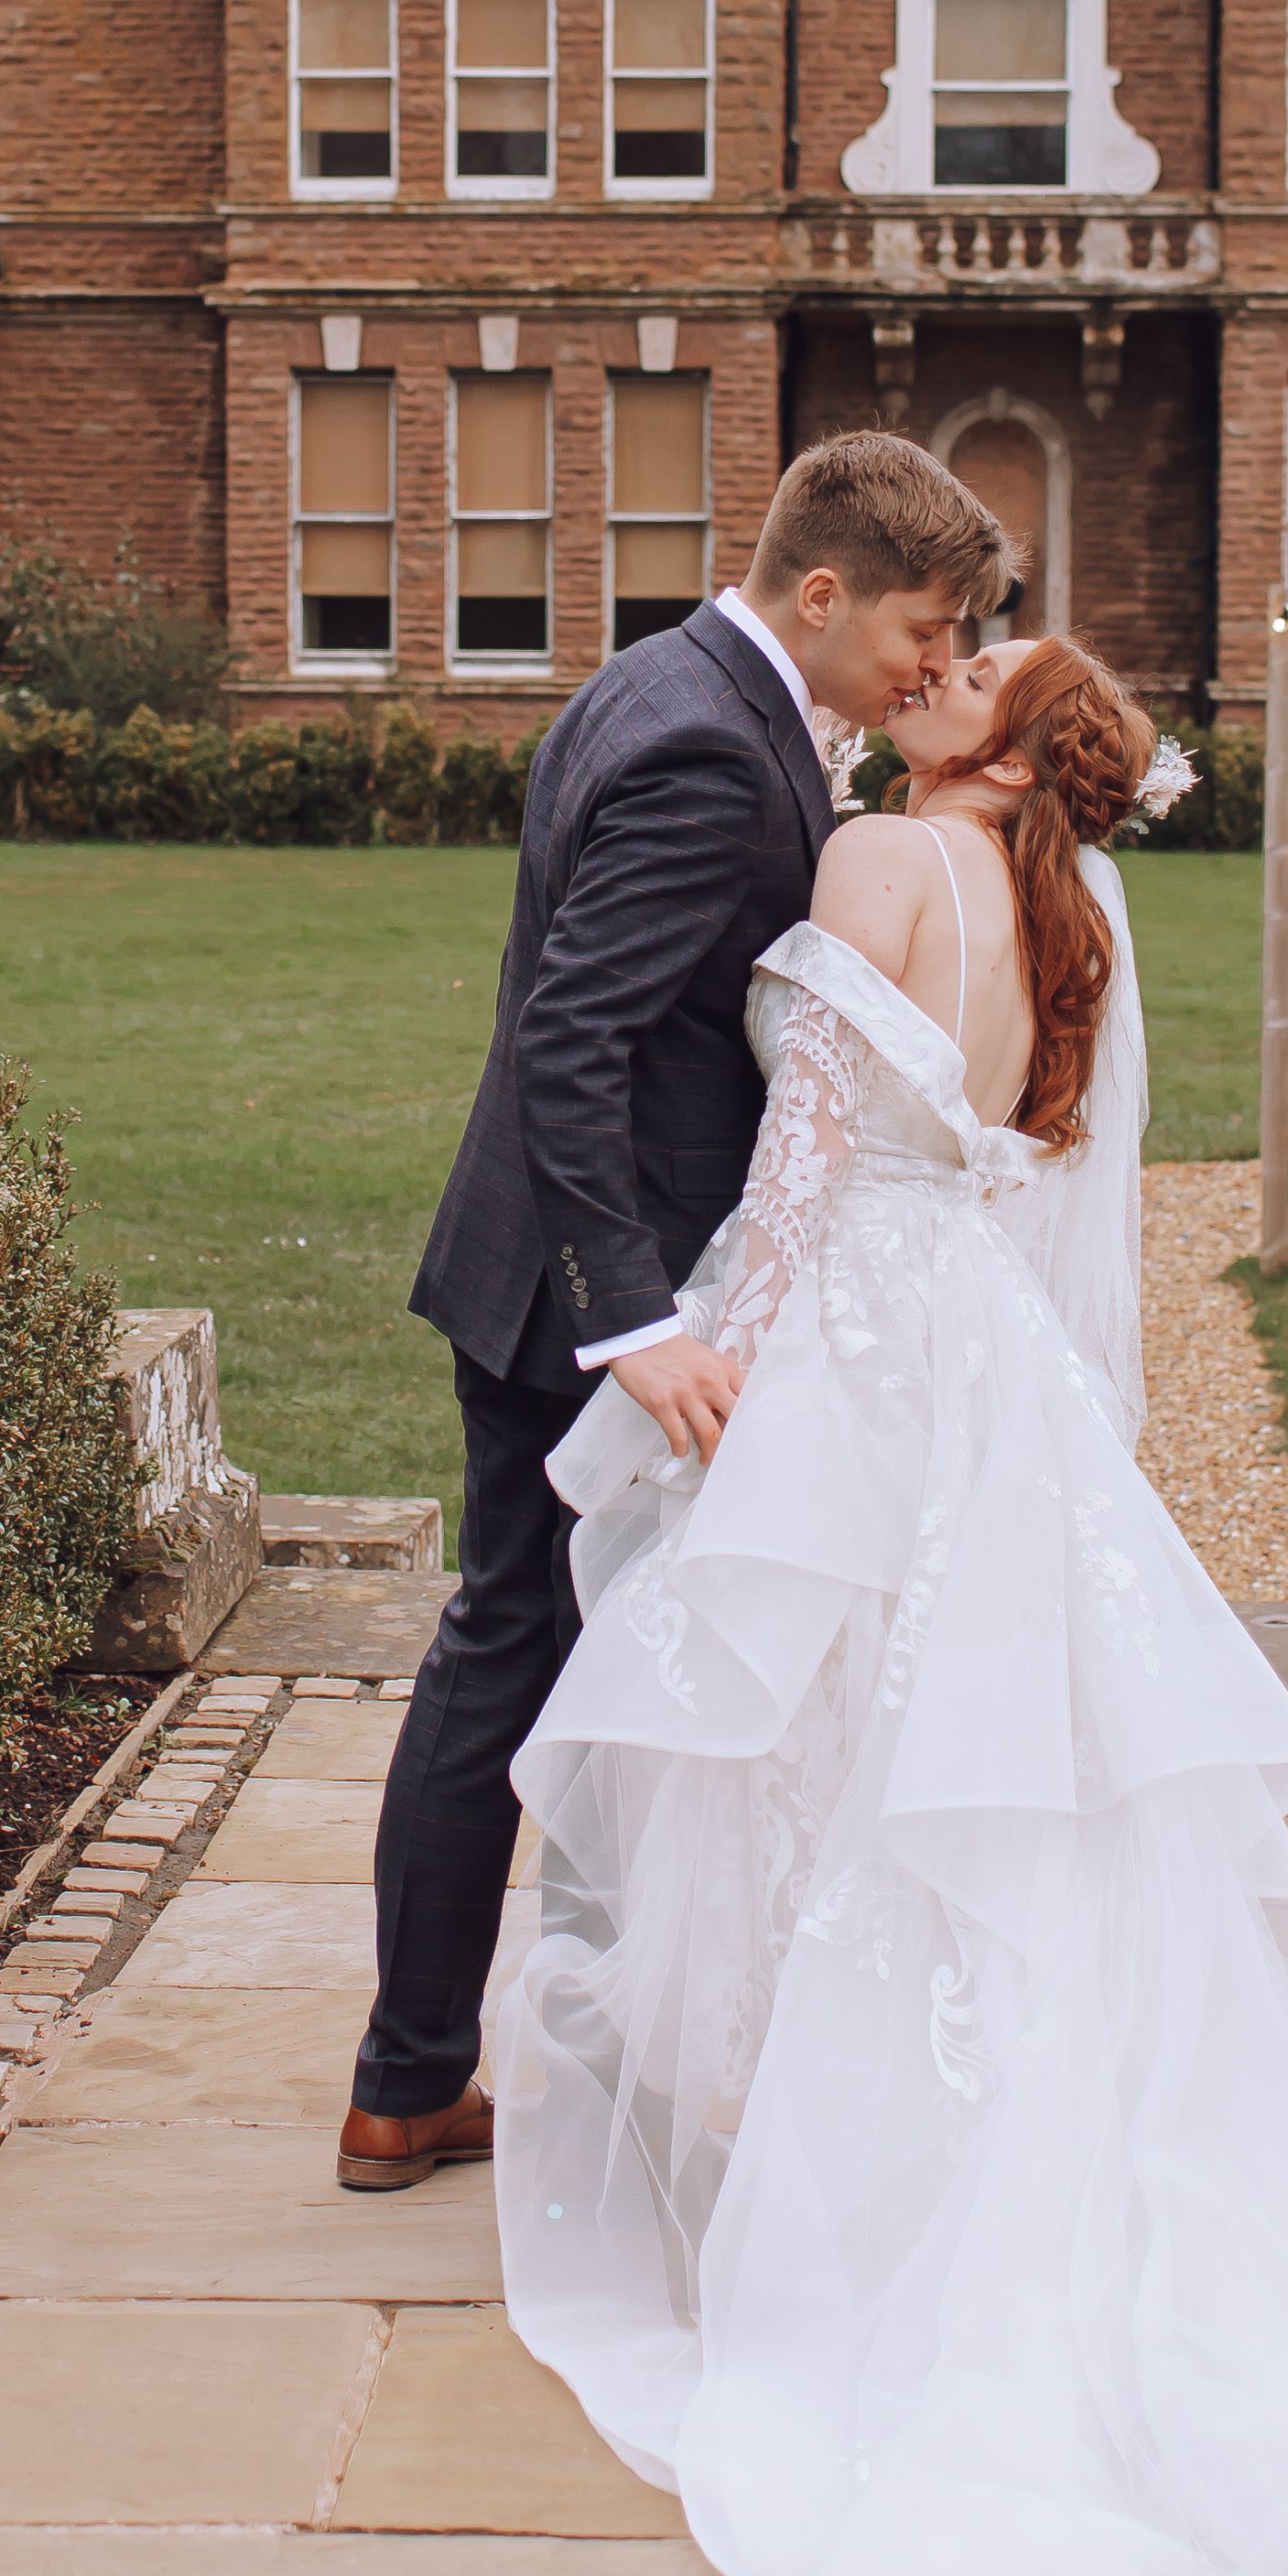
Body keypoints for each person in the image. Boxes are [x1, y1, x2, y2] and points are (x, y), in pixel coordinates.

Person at [496, 626, 1288, 2576]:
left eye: (973, 672)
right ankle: (956, 2151)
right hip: (982, 1341)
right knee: (976, 1753)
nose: (934, 675)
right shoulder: (1086, 907)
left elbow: (802, 1157)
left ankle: (807, 2183)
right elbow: (1035, 1174)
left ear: (996, 744)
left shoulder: (879, 859)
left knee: (812, 1733)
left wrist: (712, 1350)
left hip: (857, 1323)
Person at [341, 428, 1014, 2192]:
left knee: (533, 1654)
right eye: (915, 634)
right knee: (508, 1661)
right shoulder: (716, 752)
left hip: (565, 1268)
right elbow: (573, 1043)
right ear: (819, 591)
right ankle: (415, 2080)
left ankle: (449, 2069)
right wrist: (631, 1324)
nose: (929, 671)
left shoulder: (657, 679)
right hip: (589, 1294)